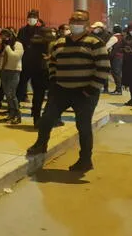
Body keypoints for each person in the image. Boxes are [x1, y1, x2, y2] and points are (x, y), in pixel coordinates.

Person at [27, 10, 110, 172]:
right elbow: (52, 62)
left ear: (87, 24)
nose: (75, 23)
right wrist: (54, 82)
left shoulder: (95, 43)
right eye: (72, 19)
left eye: (79, 20)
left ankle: (85, 160)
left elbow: (104, 68)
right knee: (47, 119)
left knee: (83, 126)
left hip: (85, 93)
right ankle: (40, 145)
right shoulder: (59, 43)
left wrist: (91, 89)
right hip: (61, 91)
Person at [25, 27, 53, 127]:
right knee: (52, 98)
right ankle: (49, 118)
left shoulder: (32, 45)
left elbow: (28, 59)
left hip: (36, 74)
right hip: (48, 73)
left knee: (37, 97)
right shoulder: (50, 44)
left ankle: (36, 118)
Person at [17, 9, 44, 102]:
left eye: (34, 17)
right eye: (30, 17)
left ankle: (36, 109)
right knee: (21, 84)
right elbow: (18, 43)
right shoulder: (22, 30)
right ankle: (17, 106)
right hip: (25, 61)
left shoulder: (41, 30)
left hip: (37, 62)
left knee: (37, 86)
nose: (31, 19)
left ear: (37, 19)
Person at [0, 28, 24, 124]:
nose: (4, 38)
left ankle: (18, 114)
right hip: (3, 71)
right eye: (2, 36)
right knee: (7, 94)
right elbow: (0, 57)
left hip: (14, 71)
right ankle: (11, 113)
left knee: (11, 93)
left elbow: (15, 57)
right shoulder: (3, 45)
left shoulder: (18, 44)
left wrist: (7, 47)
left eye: (6, 36)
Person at [91, 22, 112, 92]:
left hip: (104, 56)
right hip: (93, 55)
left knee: (103, 71)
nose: (94, 29)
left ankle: (105, 88)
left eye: (95, 28)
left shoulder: (107, 35)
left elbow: (107, 45)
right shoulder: (92, 35)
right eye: (93, 28)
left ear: (100, 28)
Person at [106, 25, 124, 95]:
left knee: (115, 73)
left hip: (116, 57)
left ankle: (118, 90)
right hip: (122, 56)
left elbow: (107, 46)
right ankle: (118, 89)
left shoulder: (114, 37)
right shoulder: (123, 37)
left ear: (114, 31)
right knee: (118, 73)